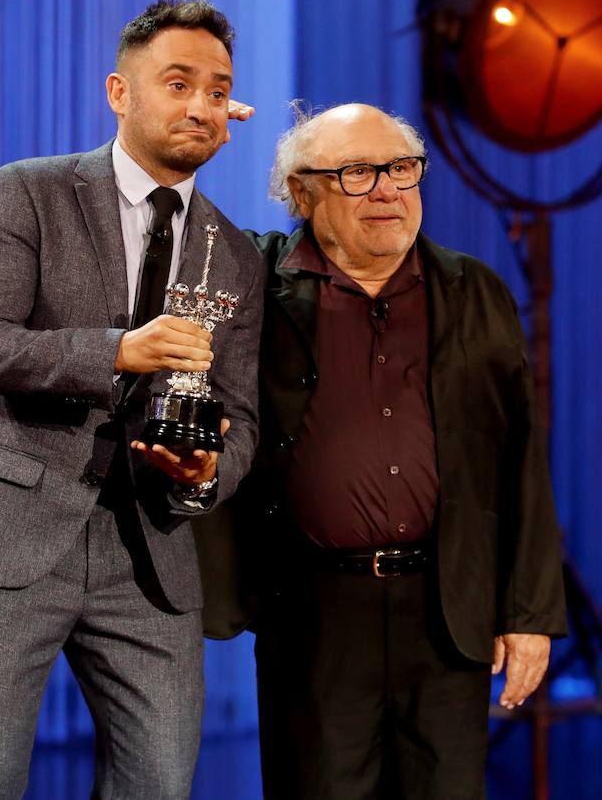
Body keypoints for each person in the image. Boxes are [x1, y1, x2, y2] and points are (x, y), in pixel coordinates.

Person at [0, 0, 264, 800]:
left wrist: (203, 469)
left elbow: (239, 417)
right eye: (178, 83)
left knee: (159, 784)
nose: (201, 107)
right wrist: (117, 351)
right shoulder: (28, 191)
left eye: (218, 91)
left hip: (152, 552)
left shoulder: (237, 255)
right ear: (119, 92)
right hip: (9, 536)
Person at [231, 103, 567, 799]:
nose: (387, 189)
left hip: (447, 610)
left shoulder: (473, 289)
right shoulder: (257, 286)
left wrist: (528, 615)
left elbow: (520, 462)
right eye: (357, 172)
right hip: (315, 614)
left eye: (402, 169)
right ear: (301, 191)